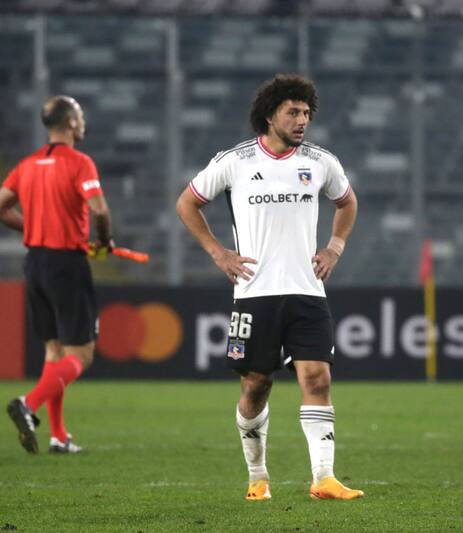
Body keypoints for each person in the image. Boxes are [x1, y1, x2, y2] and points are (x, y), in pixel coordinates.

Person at [176, 74, 362, 501]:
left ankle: (324, 478)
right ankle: (258, 478)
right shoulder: (235, 161)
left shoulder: (320, 162)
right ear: (269, 115)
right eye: (293, 112)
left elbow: (347, 201)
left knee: (317, 377)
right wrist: (217, 252)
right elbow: (187, 202)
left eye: (307, 113)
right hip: (254, 293)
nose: (302, 121)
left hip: (308, 292)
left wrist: (334, 247)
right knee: (255, 385)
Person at [0, 95, 113, 454]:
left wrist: (32, 229)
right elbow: (100, 211)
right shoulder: (80, 163)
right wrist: (103, 242)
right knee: (82, 354)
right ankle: (28, 404)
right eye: (81, 116)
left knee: (54, 351)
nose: (83, 121)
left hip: (35, 262)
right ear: (72, 123)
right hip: (65, 264)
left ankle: (59, 436)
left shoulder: (26, 165)